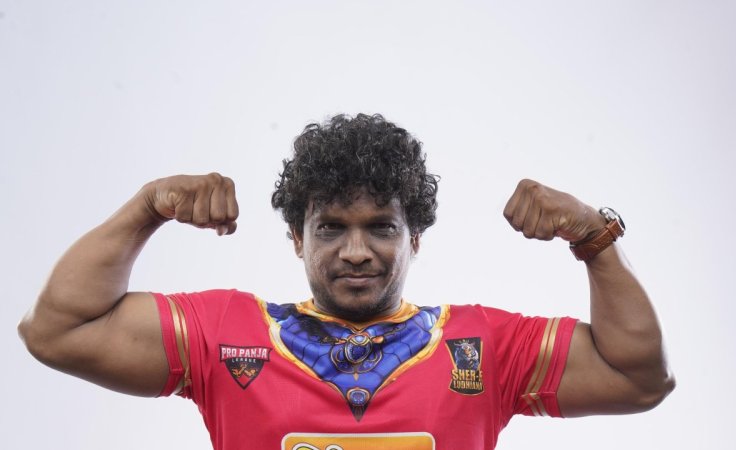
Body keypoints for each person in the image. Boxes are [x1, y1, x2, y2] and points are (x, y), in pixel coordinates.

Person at [18, 113, 674, 450]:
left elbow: (638, 377)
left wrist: (594, 237)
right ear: (296, 238)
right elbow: (56, 329)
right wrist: (146, 208)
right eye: (331, 228)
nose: (356, 252)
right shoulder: (226, 335)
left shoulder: (482, 346)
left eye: (380, 228)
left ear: (414, 238)